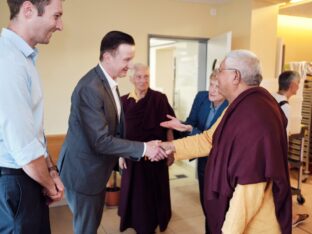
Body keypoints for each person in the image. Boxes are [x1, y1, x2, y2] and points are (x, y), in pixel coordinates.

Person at [161, 50, 292, 233]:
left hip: (254, 224)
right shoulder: (239, 105)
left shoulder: (256, 115)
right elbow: (209, 139)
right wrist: (169, 146)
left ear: (235, 76)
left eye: (221, 70)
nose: (217, 76)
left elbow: (249, 188)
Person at [57, 31, 167, 234]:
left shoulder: (109, 82)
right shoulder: (90, 88)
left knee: (92, 225)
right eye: (126, 59)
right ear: (107, 57)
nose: (130, 65)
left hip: (95, 172)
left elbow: (114, 128)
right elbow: (100, 140)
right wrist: (144, 148)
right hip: (83, 174)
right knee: (86, 229)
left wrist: (122, 154)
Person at [0, 0, 64, 233]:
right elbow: (25, 147)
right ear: (28, 10)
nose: (60, 25)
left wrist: (51, 170)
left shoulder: (23, 59)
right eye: (56, 16)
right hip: (16, 181)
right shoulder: (8, 61)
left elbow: (33, 130)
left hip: (28, 177)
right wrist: (50, 185)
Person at [160, 70, 228, 233]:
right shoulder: (201, 97)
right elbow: (191, 124)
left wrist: (189, 128)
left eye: (217, 87)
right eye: (211, 85)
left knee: (220, 208)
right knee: (206, 205)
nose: (212, 90)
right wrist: (181, 125)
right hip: (204, 162)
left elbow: (216, 141)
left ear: (226, 88)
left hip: (221, 164)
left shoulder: (231, 107)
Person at [118, 63, 175, 234]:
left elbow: (169, 126)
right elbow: (119, 132)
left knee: (154, 195)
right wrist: (120, 155)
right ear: (131, 79)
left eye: (146, 76)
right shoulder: (123, 102)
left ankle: (152, 224)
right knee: (136, 197)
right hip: (132, 157)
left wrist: (171, 151)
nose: (143, 80)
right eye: (139, 77)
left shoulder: (159, 98)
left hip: (156, 157)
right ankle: (139, 224)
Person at [273, 70, 309, 228]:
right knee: (282, 187)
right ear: (293, 85)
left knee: (274, 187)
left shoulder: (272, 98)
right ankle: (290, 218)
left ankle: (286, 216)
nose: (299, 86)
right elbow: (282, 136)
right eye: (298, 83)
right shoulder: (285, 107)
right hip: (276, 154)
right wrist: (284, 160)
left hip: (266, 152)